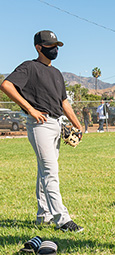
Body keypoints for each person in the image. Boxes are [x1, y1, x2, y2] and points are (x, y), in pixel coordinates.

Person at [0, 30, 84, 231]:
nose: (55, 49)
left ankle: (44, 214)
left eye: (56, 46)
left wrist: (77, 124)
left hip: (56, 123)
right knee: (50, 171)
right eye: (50, 46)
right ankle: (62, 219)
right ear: (39, 47)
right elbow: (6, 85)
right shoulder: (30, 67)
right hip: (40, 124)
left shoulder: (56, 73)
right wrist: (30, 109)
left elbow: (64, 101)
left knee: (44, 170)